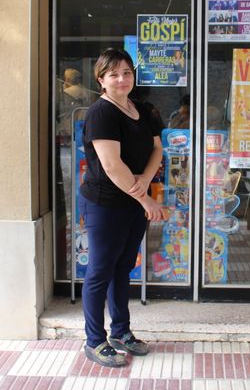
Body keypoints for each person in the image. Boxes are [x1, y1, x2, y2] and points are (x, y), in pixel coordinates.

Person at [79, 48, 166, 367]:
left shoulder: (145, 109)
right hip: (106, 202)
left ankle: (121, 332)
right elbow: (112, 166)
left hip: (132, 201)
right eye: (113, 74)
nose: (121, 78)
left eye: (126, 72)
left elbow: (158, 149)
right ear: (101, 80)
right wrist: (144, 198)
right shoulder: (101, 113)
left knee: (123, 266)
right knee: (100, 270)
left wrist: (145, 179)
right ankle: (94, 341)